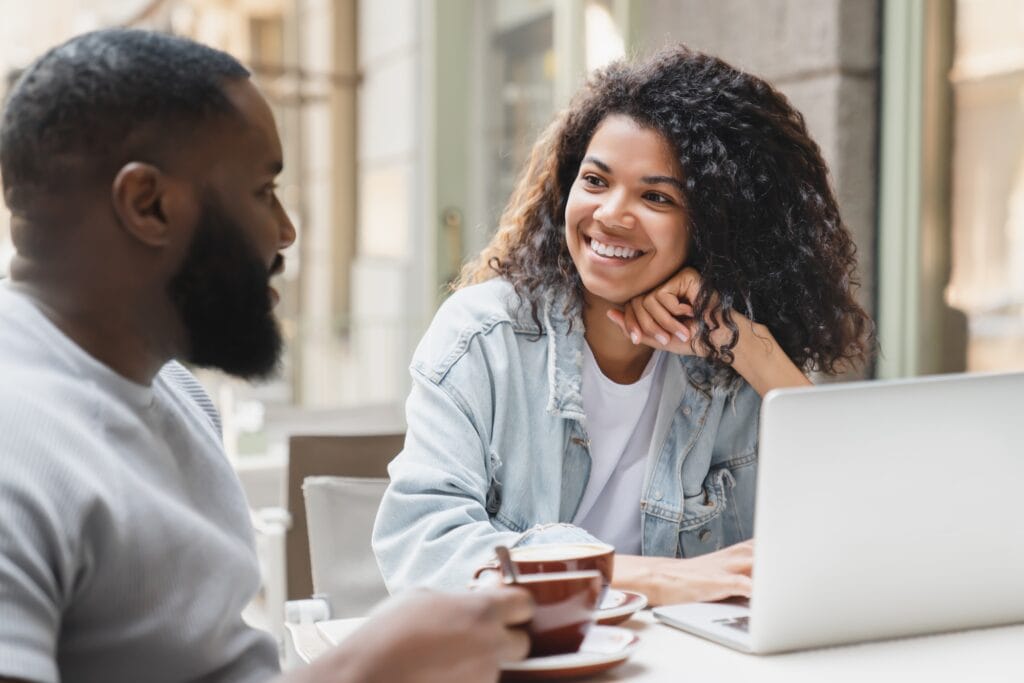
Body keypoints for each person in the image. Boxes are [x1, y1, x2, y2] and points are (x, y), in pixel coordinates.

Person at [0, 29, 532, 683]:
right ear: (147, 204)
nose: (285, 232)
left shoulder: (174, 392)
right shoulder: (17, 450)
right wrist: (361, 668)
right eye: (261, 191)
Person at [372, 45, 874, 606]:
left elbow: (855, 519)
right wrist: (652, 578)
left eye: (656, 196)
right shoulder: (484, 338)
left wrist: (752, 350)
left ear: (717, 226)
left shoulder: (732, 358)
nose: (610, 214)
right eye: (595, 181)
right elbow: (422, 548)